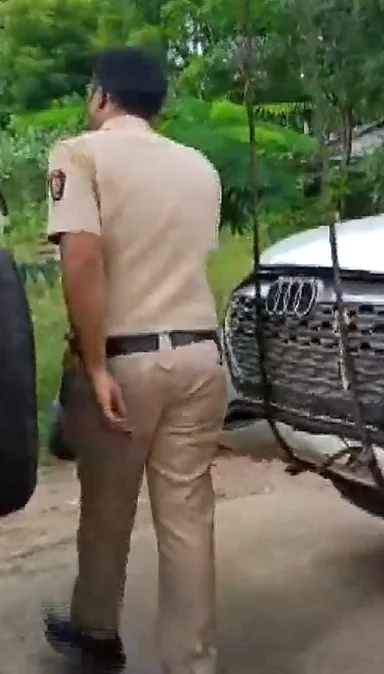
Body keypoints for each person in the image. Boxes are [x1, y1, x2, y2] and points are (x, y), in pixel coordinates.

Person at [43, 46, 226, 674]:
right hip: (203, 357)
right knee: (187, 521)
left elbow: (82, 260)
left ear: (101, 95)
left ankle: (96, 634)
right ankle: (191, 661)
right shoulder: (200, 166)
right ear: (159, 104)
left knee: (107, 512)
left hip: (126, 362)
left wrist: (94, 367)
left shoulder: (80, 153)